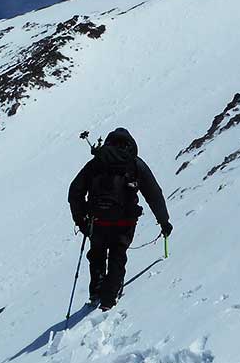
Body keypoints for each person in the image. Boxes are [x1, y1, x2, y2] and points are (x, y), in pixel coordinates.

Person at [68, 128, 173, 310]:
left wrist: (81, 219)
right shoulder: (134, 164)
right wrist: (164, 221)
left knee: (97, 254)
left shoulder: (96, 163)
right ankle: (110, 298)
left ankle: (96, 291)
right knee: (118, 254)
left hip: (97, 220)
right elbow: (154, 193)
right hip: (125, 220)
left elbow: (75, 191)